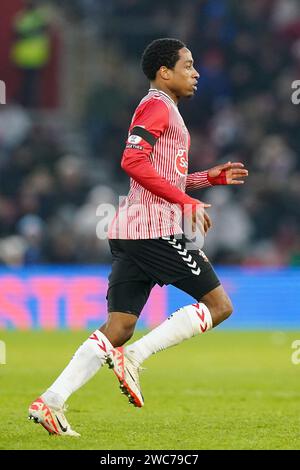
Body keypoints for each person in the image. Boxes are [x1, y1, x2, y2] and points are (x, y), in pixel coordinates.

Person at [28, 38, 248, 436]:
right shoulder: (156, 106)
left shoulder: (168, 111)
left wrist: (205, 179)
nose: (195, 73)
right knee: (219, 305)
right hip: (153, 231)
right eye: (188, 65)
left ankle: (51, 401)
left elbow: (162, 176)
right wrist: (186, 202)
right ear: (164, 72)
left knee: (118, 328)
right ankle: (137, 356)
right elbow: (132, 161)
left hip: (132, 231)